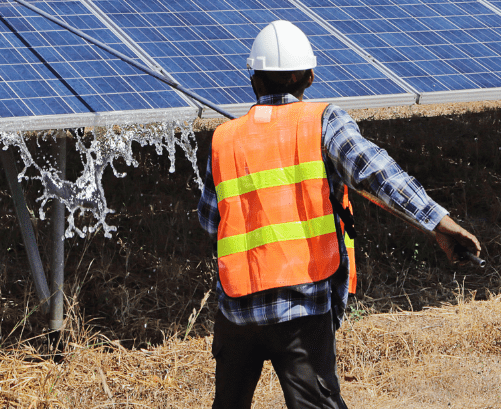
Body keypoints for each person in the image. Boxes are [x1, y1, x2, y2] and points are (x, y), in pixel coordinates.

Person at [199, 20, 480, 409]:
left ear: (255, 81)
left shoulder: (225, 138)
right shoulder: (323, 120)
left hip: (237, 310)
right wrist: (439, 222)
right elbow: (378, 174)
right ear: (310, 77)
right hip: (302, 308)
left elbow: (212, 222)